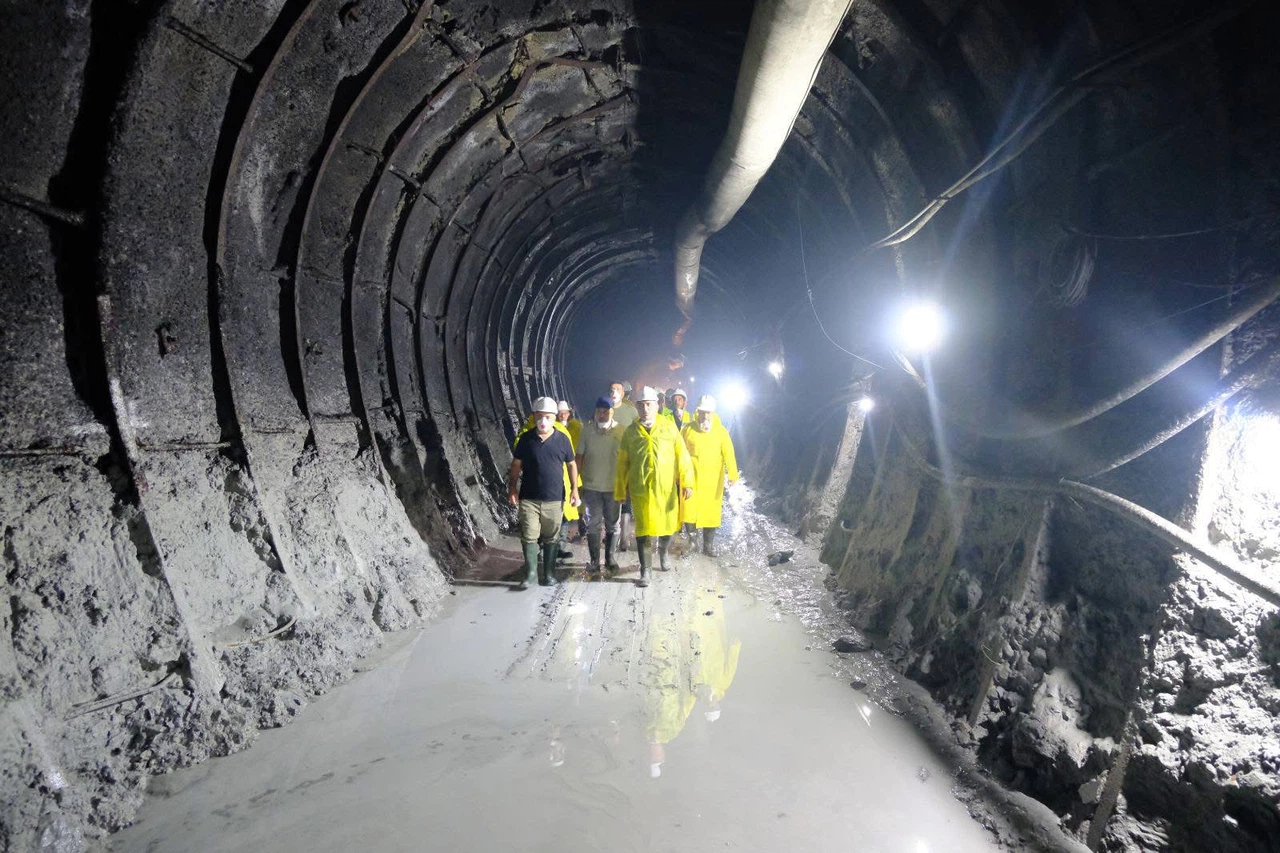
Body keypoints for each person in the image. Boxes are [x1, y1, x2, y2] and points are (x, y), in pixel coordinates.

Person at [614, 386, 693, 587]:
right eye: (641, 405)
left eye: (649, 404)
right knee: (643, 531)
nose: (645, 409)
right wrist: (620, 489)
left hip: (665, 490)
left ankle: (664, 552)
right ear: (637, 407)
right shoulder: (631, 432)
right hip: (641, 490)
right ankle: (645, 570)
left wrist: (688, 482)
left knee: (668, 528)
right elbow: (623, 463)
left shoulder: (668, 427)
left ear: (657, 405)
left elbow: (682, 455)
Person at [508, 397, 580, 588]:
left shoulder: (563, 439)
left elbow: (572, 465)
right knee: (529, 535)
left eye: (548, 417)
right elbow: (515, 466)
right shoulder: (526, 439)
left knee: (551, 537)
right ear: (533, 416)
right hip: (529, 498)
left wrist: (574, 490)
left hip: (554, 498)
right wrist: (512, 488)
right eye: (539, 416)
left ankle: (548, 574)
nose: (543, 421)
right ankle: (531, 574)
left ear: (554, 417)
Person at [680, 395, 738, 557]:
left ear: (713, 413)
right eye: (702, 412)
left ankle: (708, 545)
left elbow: (729, 453)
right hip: (691, 479)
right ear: (697, 411)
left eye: (708, 413)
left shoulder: (721, 432)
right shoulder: (687, 430)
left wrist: (732, 474)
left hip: (712, 481)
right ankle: (692, 543)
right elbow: (679, 452)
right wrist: (678, 474)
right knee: (689, 511)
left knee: (711, 514)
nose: (705, 416)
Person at [576, 396, 624, 573]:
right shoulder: (587, 430)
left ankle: (610, 559)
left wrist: (625, 486)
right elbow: (579, 457)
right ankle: (595, 561)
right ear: (595, 413)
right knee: (593, 523)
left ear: (612, 412)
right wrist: (576, 484)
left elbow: (627, 461)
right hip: (592, 487)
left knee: (613, 524)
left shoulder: (621, 431)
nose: (602, 415)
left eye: (606, 412)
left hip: (613, 487)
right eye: (599, 412)